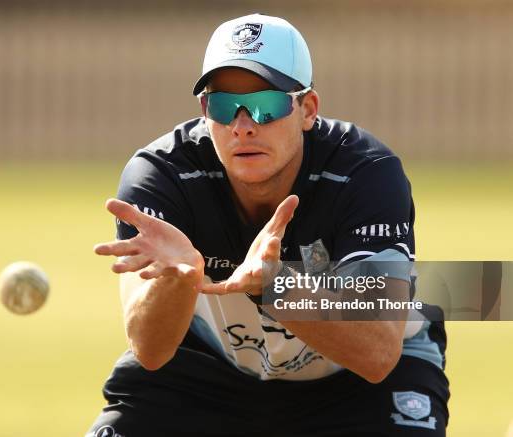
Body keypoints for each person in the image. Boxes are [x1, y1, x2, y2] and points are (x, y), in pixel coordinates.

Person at [86, 14, 449, 437]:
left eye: (266, 105)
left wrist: (276, 287)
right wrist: (176, 281)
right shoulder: (160, 176)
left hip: (353, 386)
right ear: (205, 112)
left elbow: (378, 353)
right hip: (206, 371)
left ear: (307, 109)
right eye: (222, 105)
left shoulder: (365, 174)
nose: (243, 125)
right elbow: (150, 351)